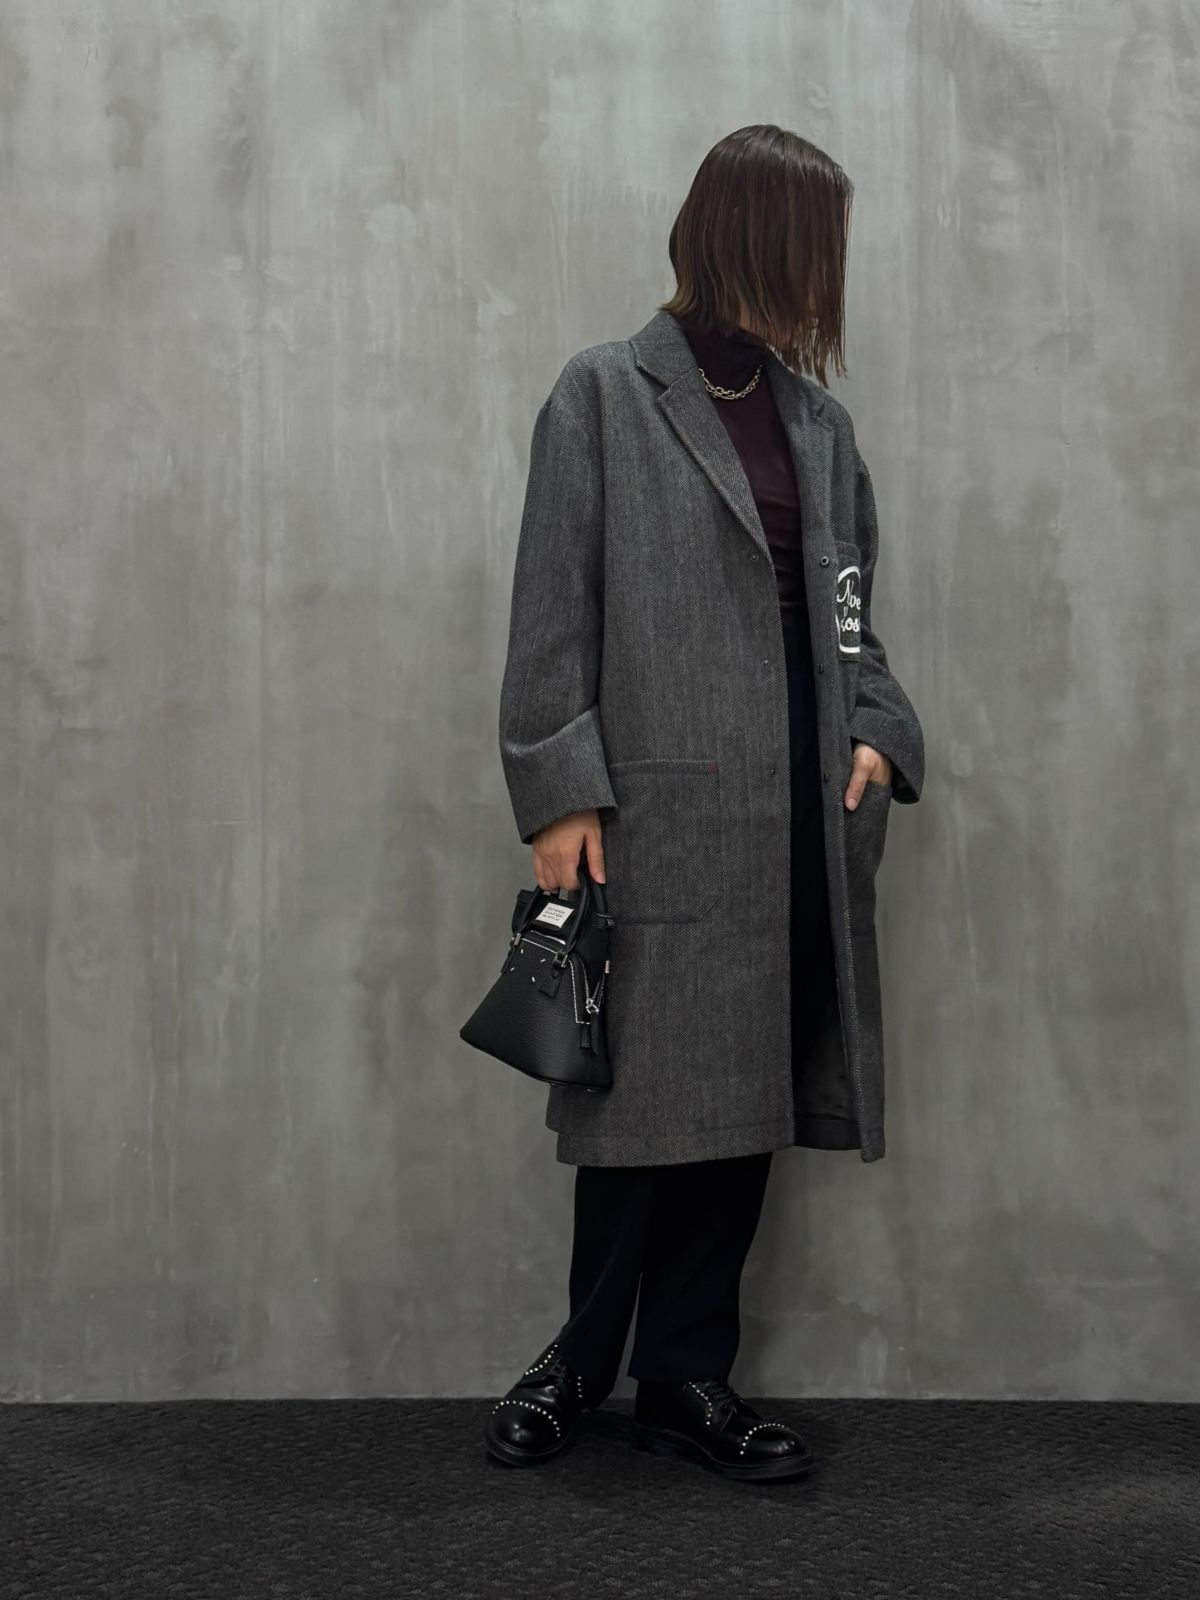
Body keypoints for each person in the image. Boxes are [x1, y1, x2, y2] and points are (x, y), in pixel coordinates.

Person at [485, 125, 925, 1482]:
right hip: (658, 809)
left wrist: (878, 732)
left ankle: (687, 1377)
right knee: (639, 1115)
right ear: (753, 240)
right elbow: (551, 610)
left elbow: (848, 626)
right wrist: (558, 791)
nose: (827, 277)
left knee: (743, 1108)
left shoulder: (820, 429)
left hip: (796, 818)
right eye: (812, 248)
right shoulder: (604, 394)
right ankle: (576, 1365)